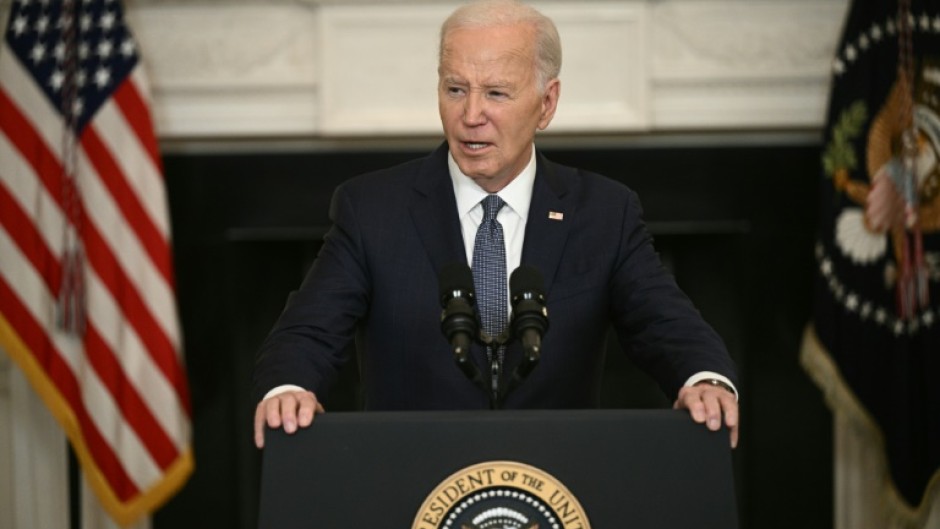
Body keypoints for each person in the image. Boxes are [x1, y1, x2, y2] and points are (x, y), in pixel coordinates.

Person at [252, 0, 739, 450]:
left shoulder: (604, 212)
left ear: (546, 103)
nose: (470, 115)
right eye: (455, 89)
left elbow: (665, 323)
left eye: (496, 93)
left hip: (556, 482)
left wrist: (704, 380)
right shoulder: (371, 208)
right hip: (410, 482)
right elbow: (308, 331)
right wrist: (289, 389)